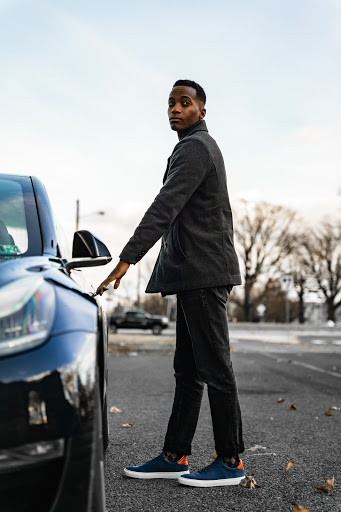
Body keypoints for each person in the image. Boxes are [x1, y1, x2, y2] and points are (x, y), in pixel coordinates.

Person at [96, 79, 245, 487]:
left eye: (185, 103)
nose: (175, 109)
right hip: (193, 275)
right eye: (171, 103)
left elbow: (165, 206)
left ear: (201, 110)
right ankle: (174, 456)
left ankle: (230, 462)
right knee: (188, 370)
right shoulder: (191, 147)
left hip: (203, 274)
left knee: (214, 368)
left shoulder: (196, 147)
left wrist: (127, 259)